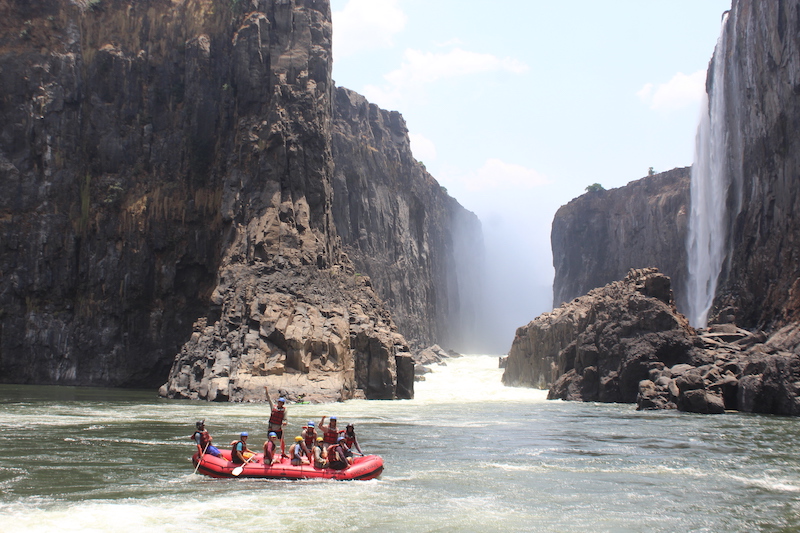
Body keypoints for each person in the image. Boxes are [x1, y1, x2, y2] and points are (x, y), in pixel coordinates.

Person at [265, 386, 287, 456]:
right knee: (269, 442)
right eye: (279, 402)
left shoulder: (284, 410)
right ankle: (267, 453)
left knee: (282, 441)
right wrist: (266, 391)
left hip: (278, 428)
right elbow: (269, 399)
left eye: (282, 403)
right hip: (271, 428)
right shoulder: (273, 407)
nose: (280, 403)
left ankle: (283, 453)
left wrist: (285, 422)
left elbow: (285, 418)